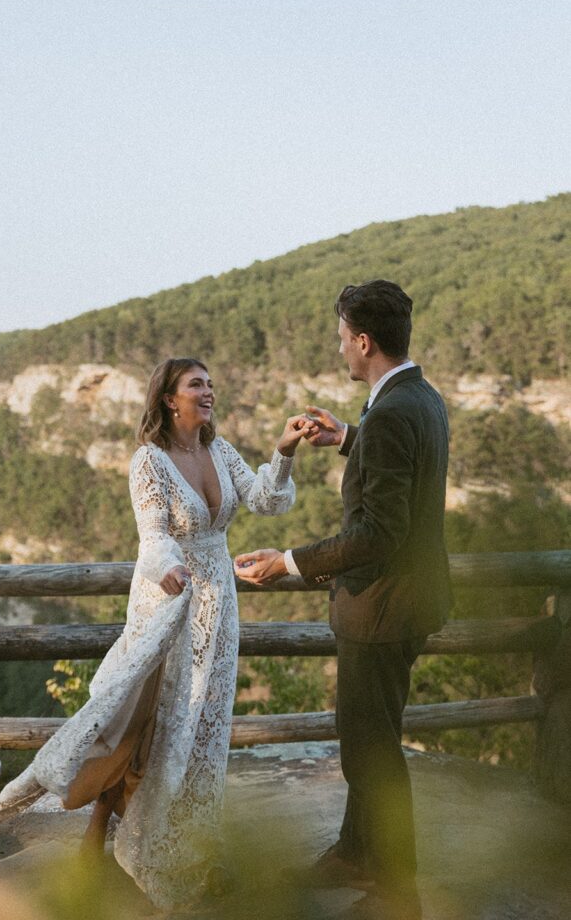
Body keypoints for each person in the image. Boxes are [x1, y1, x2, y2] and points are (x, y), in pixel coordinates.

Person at [0, 356, 313, 911]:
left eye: (210, 383)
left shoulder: (219, 448)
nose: (208, 392)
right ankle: (129, 841)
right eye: (196, 385)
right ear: (169, 398)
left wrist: (284, 449)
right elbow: (152, 534)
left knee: (198, 721)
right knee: (135, 716)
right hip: (166, 600)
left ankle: (183, 843)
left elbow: (266, 501)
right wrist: (168, 569)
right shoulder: (149, 461)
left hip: (217, 610)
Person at [235, 281, 451, 920]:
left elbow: (377, 534)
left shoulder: (392, 413)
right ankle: (356, 854)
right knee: (370, 736)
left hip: (382, 609)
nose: (339, 351)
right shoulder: (421, 398)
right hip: (411, 602)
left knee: (372, 753)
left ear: (364, 341)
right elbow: (402, 468)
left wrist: (289, 563)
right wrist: (349, 437)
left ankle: (396, 891)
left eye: (341, 338)